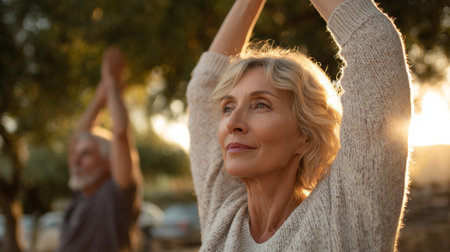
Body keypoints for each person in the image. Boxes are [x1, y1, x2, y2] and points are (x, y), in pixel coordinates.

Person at [186, 0, 411, 251]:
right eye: (228, 108)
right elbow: (203, 89)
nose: (232, 123)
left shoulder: (343, 215)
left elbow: (375, 46)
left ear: (305, 134)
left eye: (261, 104)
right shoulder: (225, 216)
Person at [57, 46, 142, 252]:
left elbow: (120, 134)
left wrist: (111, 80)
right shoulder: (81, 193)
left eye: (86, 154)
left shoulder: (115, 195)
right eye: (76, 155)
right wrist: (97, 100)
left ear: (108, 163)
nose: (75, 161)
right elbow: (77, 141)